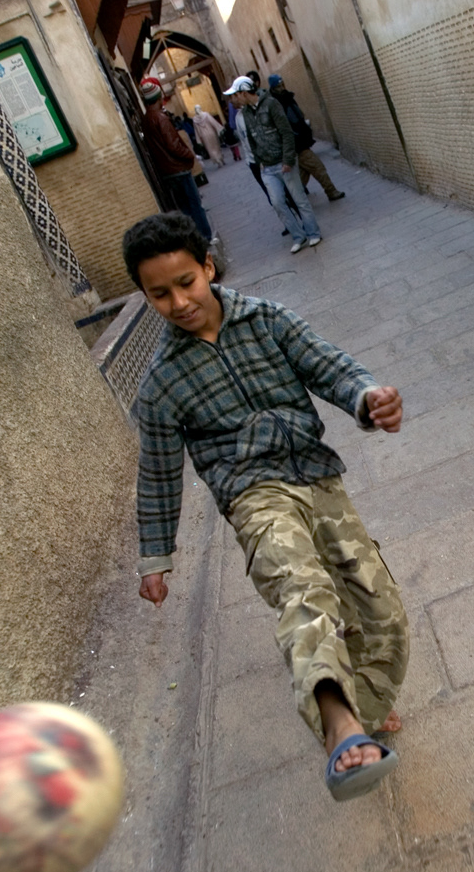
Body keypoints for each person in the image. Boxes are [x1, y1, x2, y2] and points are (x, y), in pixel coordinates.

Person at [125, 211, 408, 801]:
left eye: (186, 282)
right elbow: (157, 473)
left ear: (207, 267)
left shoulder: (266, 319)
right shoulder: (161, 384)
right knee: (303, 592)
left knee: (378, 606)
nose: (178, 302)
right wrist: (156, 556)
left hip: (317, 475)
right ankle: (338, 720)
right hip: (253, 495)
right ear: (145, 295)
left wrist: (368, 396)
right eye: (159, 294)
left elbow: (327, 365)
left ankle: (370, 706)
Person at [224, 74, 321, 253]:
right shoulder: (245, 113)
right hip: (266, 167)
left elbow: (286, 132)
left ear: (244, 93)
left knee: (299, 199)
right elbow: (252, 140)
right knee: (277, 202)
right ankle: (298, 236)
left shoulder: (271, 104)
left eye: (235, 95)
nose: (233, 100)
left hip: (284, 163)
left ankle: (313, 232)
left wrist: (288, 159)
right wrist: (259, 161)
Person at [139, 77, 215, 242]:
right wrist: (189, 155)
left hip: (167, 172)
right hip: (178, 169)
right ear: (158, 98)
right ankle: (205, 237)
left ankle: (193, 239)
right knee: (195, 206)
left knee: (184, 209)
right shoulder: (160, 118)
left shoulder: (146, 119)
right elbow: (173, 145)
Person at [268, 74, 345, 201]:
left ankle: (290, 198)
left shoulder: (286, 98)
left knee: (303, 174)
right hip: (297, 144)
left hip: (299, 142)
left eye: (282, 84)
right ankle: (331, 192)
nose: (282, 87)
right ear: (274, 88)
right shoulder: (278, 103)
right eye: (279, 86)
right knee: (318, 168)